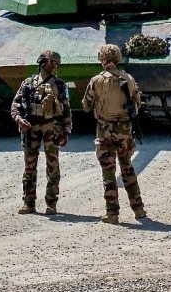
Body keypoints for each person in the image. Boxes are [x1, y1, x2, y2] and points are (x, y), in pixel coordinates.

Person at [82, 44, 146, 224]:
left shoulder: (96, 80)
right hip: (124, 130)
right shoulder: (129, 78)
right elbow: (137, 104)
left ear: (102, 60)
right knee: (127, 168)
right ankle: (139, 209)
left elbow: (86, 106)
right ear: (117, 58)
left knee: (108, 172)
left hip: (105, 130)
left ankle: (112, 213)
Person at [11, 50, 72, 215]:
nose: (54, 67)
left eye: (57, 64)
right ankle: (28, 203)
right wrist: (19, 119)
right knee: (29, 166)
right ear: (43, 62)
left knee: (53, 166)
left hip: (51, 127)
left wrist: (66, 131)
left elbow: (66, 109)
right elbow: (16, 104)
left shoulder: (59, 85)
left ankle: (51, 203)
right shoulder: (28, 83)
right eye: (52, 63)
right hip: (31, 127)